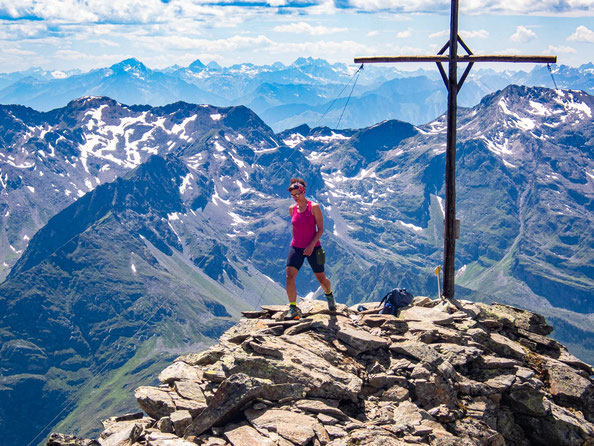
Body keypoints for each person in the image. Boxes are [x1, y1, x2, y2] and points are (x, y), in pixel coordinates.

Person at [285, 177, 336, 320]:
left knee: (321, 279)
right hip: (296, 247)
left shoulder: (314, 207)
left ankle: (329, 296)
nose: (295, 197)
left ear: (303, 191)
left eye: (297, 194)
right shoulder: (291, 209)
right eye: (292, 195)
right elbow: (296, 227)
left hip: (313, 247)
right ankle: (293, 308)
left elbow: (320, 229)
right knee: (289, 276)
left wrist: (311, 245)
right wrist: (294, 243)